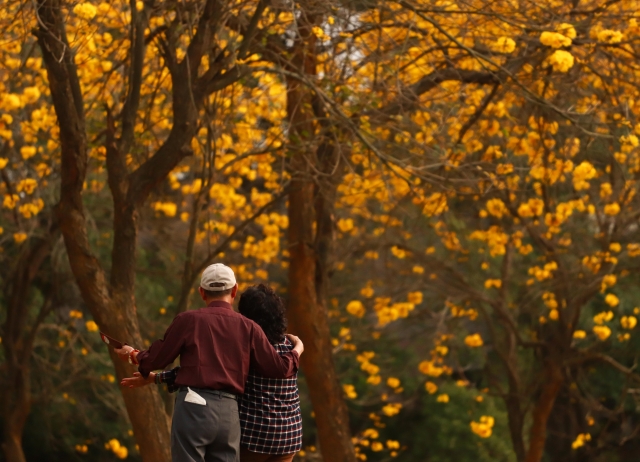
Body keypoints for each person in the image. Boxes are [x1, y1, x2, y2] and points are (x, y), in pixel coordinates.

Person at [114, 264, 304, 462]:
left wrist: (134, 355)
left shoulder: (188, 320)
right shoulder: (249, 328)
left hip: (194, 406)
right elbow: (279, 367)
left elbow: (158, 358)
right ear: (234, 290)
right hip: (230, 414)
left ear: (202, 292)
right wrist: (297, 348)